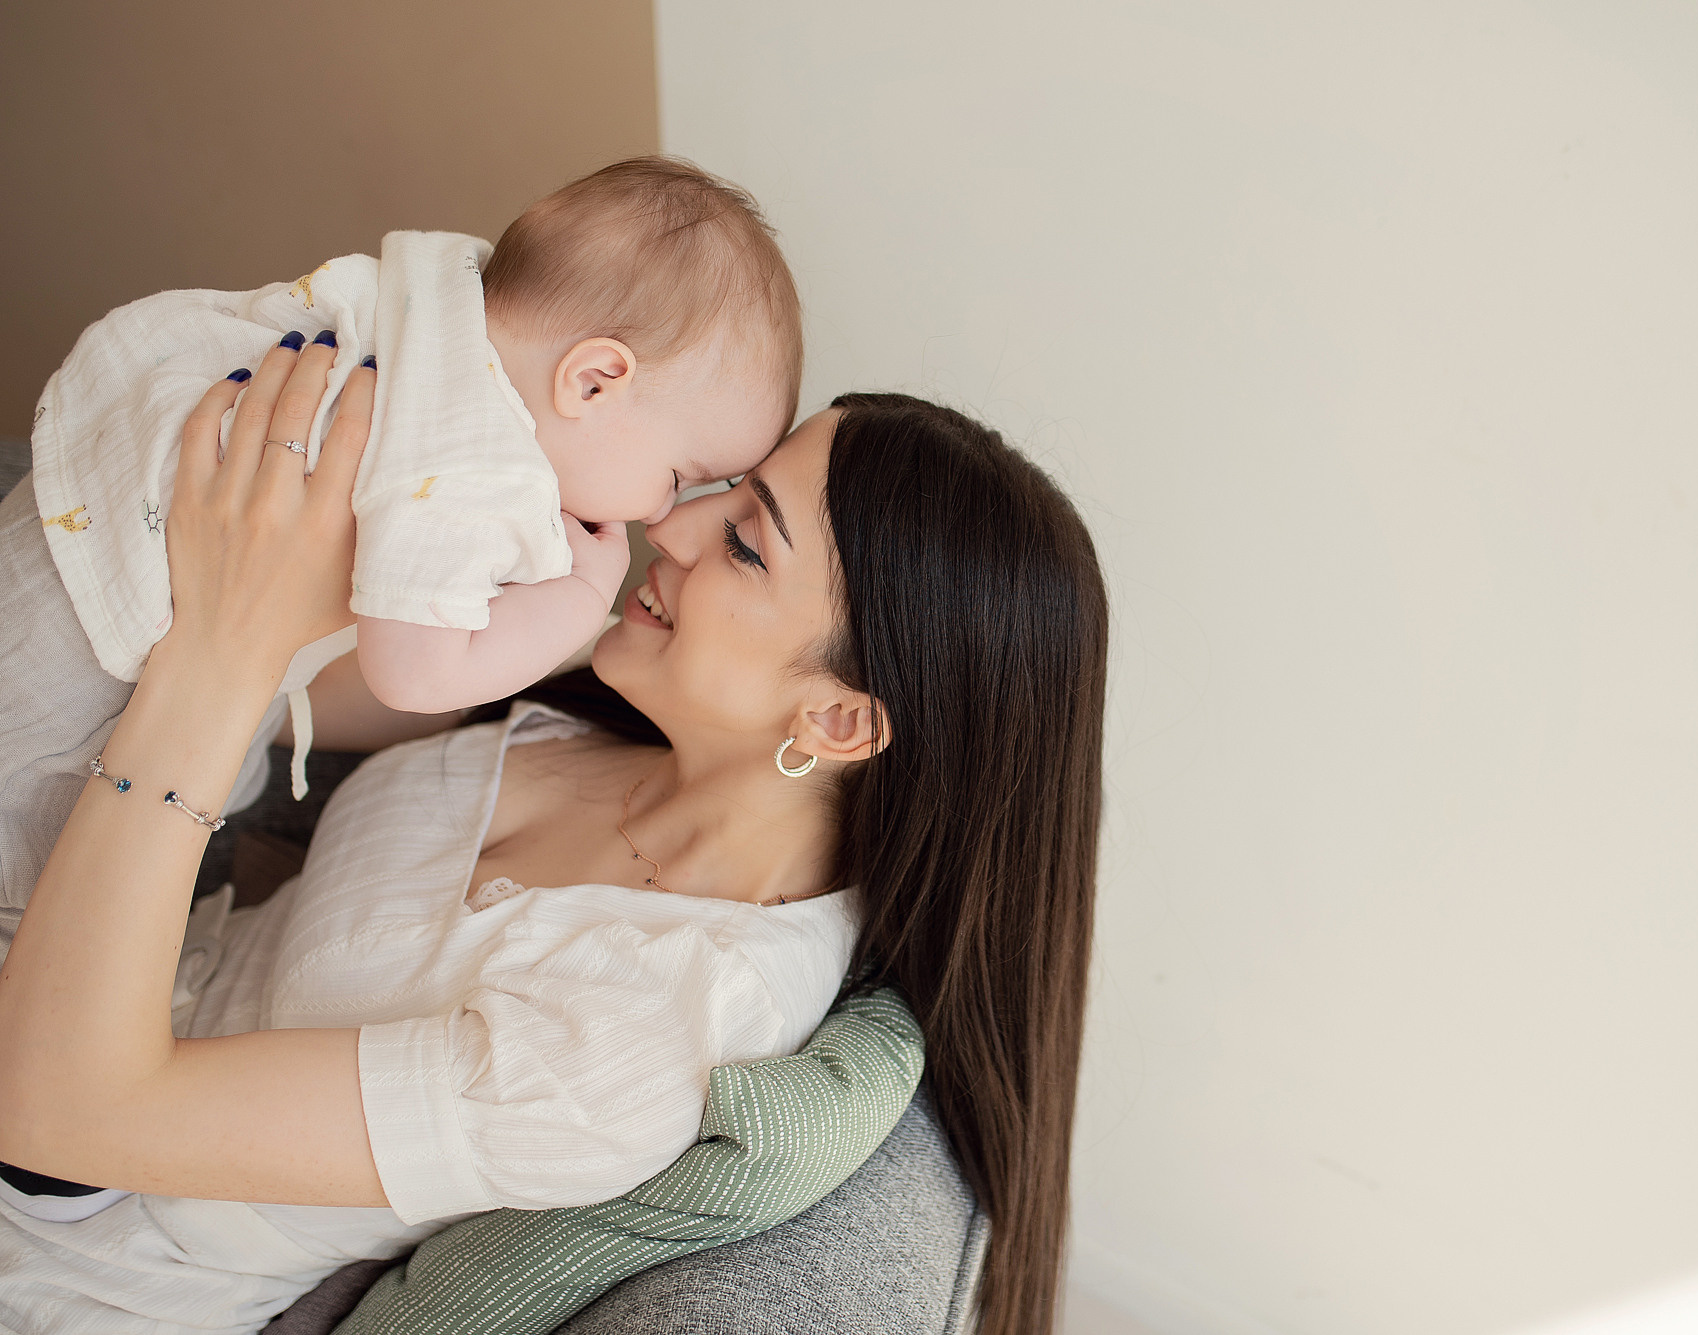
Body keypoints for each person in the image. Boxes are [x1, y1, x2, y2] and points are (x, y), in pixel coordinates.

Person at [0, 335, 1108, 1335]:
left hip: (61, 1260)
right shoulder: (601, 715)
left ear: (836, 719)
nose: (667, 527)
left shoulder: (648, 1034)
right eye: (720, 493)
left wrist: (224, 648)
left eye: (745, 546)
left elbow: (64, 1112)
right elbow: (255, 693)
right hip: (61, 976)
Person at [2, 156, 798, 927]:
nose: (660, 517)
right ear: (592, 381)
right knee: (28, 890)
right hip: (74, 677)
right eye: (677, 474)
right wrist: (582, 601)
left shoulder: (429, 304)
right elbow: (413, 671)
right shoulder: (473, 462)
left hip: (62, 524)